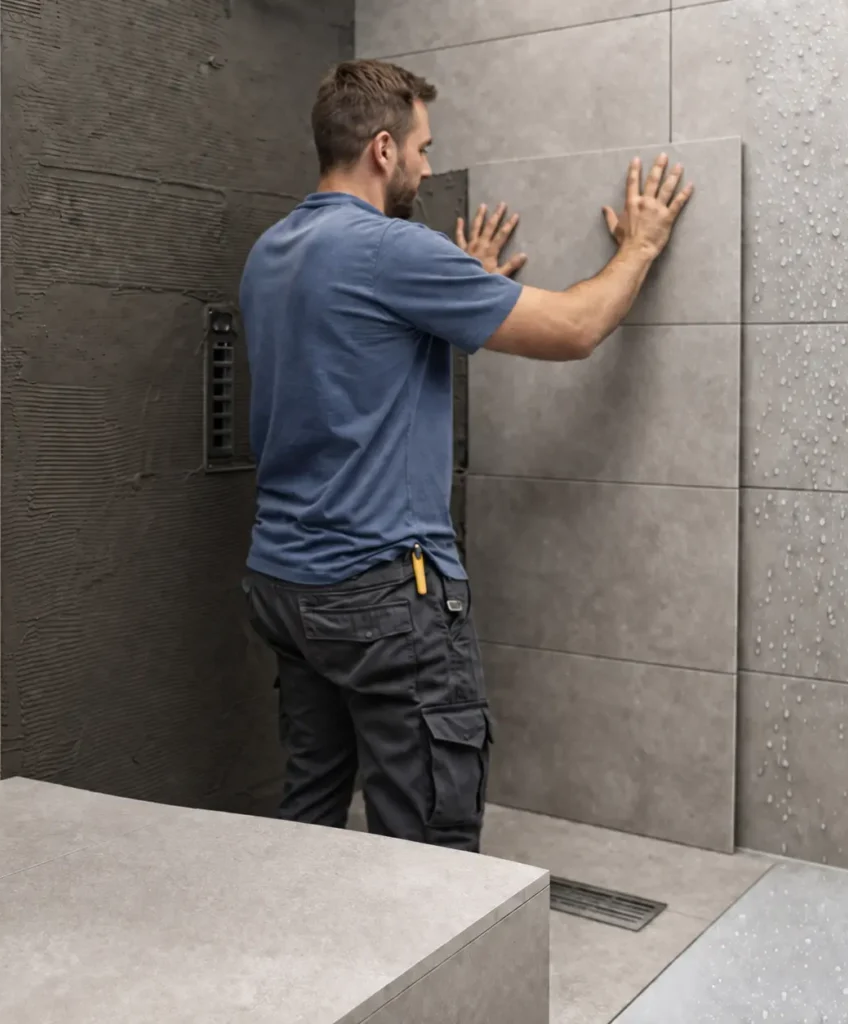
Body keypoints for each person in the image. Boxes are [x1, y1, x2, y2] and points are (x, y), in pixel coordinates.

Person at [239, 59, 693, 853]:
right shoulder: (394, 251)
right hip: (382, 593)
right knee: (428, 853)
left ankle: (308, 976)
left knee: (311, 819)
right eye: (422, 147)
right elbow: (576, 329)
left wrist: (462, 290)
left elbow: (353, 367)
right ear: (382, 148)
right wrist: (640, 249)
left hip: (287, 587)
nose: (425, 164)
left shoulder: (271, 254)